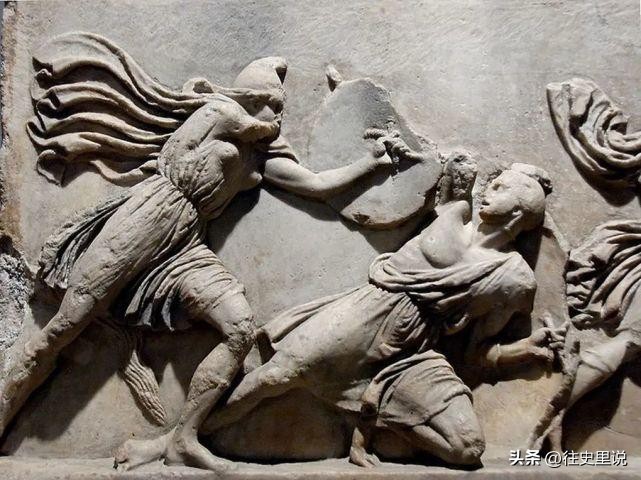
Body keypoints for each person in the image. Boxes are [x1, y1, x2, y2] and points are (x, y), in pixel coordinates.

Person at [0, 33, 405, 471]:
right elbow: (251, 127)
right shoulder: (220, 113)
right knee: (63, 329)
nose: (278, 116)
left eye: (280, 107)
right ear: (251, 98)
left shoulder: (259, 155)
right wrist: (263, 126)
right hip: (147, 219)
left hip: (186, 242)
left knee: (240, 328)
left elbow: (316, 184)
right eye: (273, 104)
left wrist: (373, 162)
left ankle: (184, 439)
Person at [201, 157, 565, 467]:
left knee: (467, 447)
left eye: (501, 188)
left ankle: (372, 416)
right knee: (277, 375)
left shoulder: (514, 278)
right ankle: (195, 435)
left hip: (415, 348)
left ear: (519, 211)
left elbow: (476, 357)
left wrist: (527, 349)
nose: (490, 189)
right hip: (369, 312)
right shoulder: (455, 211)